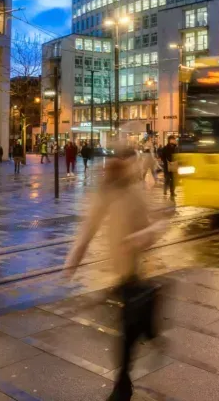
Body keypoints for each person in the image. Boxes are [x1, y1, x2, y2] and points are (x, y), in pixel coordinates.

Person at [64, 145, 166, 400]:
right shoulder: (106, 194)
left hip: (133, 271)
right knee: (126, 327)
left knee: (126, 332)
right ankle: (146, 334)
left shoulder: (134, 194)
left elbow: (154, 229)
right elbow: (89, 227)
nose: (114, 169)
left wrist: (137, 239)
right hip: (119, 274)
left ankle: (123, 384)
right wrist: (74, 258)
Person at [159, 135, 178, 200]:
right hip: (167, 166)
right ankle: (165, 189)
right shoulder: (165, 148)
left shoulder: (176, 148)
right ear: (169, 140)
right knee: (167, 178)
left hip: (174, 165)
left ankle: (172, 192)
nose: (174, 140)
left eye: (174, 139)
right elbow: (162, 156)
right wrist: (166, 162)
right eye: (173, 139)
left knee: (173, 180)